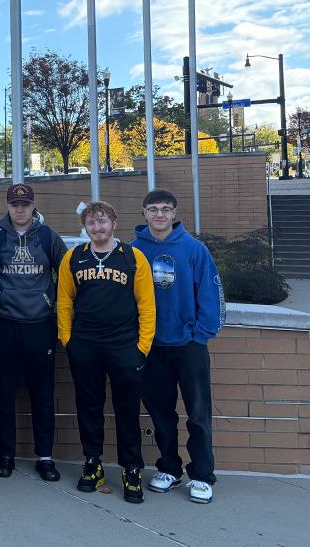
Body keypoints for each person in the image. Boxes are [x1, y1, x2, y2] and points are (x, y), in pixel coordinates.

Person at [57, 201, 155, 504]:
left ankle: (132, 468)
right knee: (89, 406)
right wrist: (68, 341)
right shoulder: (73, 258)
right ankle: (93, 463)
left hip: (125, 347)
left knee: (127, 411)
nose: (97, 228)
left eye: (102, 222)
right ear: (84, 227)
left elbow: (146, 305)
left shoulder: (132, 257)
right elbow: (64, 302)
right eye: (91, 223)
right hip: (85, 346)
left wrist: (142, 347)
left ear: (114, 224)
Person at [131, 189, 224, 504]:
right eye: (153, 209)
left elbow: (211, 296)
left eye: (166, 209)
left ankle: (201, 474)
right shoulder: (132, 251)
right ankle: (169, 468)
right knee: (161, 414)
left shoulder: (194, 249)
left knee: (198, 412)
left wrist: (200, 334)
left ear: (174, 213)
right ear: (144, 213)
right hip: (151, 346)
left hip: (189, 345)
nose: (159, 214)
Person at [0, 184, 68, 481]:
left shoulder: (49, 237)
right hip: (2, 323)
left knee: (42, 395)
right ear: (8, 206)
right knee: (3, 394)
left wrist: (57, 312)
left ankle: (46, 458)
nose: (20, 210)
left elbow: (66, 277)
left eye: (25, 204)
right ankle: (6, 455)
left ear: (33, 206)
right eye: (15, 204)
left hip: (40, 325)